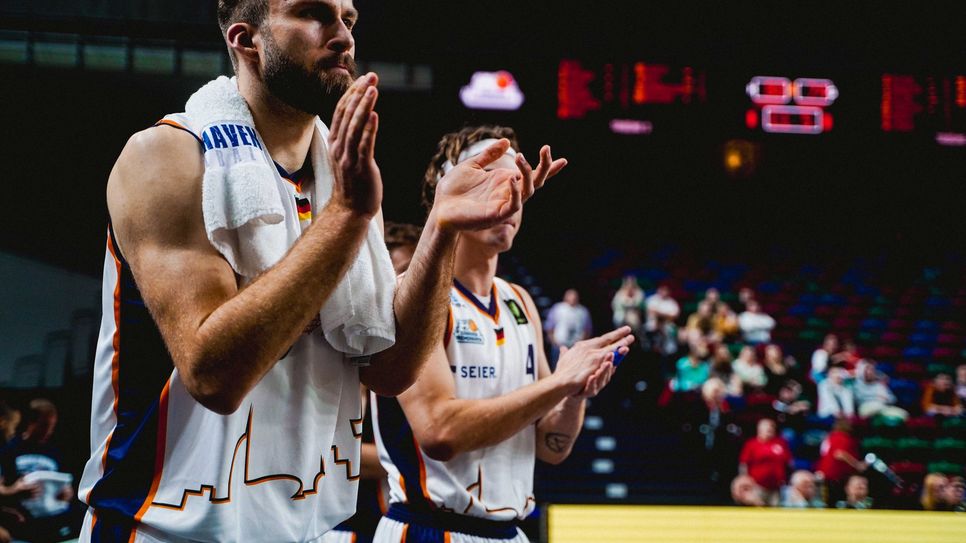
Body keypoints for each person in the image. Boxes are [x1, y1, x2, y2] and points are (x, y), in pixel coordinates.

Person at [76, 2, 567, 540]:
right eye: (314, 14)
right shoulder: (168, 156)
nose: (342, 36)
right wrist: (346, 217)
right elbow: (213, 375)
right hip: (160, 526)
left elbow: (390, 371)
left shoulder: (343, 181)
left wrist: (442, 228)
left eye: (349, 19)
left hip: (305, 527)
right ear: (247, 39)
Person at [372, 125, 633, 542]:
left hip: (510, 531)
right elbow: (440, 431)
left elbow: (551, 447)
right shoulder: (409, 296)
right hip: (430, 528)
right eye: (492, 181)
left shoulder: (521, 302)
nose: (511, 197)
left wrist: (574, 396)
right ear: (450, 187)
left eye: (518, 183)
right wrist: (561, 382)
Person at [323, 223, 421, 543]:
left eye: (408, 273)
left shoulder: (413, 364)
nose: (398, 286)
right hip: (326, 526)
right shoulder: (334, 345)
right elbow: (319, 454)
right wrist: (415, 459)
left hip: (387, 524)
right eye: (392, 274)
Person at [0, 399, 76, 542]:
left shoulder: (56, 452)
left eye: (52, 426)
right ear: (31, 422)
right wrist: (14, 491)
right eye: (44, 425)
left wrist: (67, 493)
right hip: (22, 525)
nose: (49, 431)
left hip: (55, 524)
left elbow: (68, 485)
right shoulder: (9, 449)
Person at [738, 418, 792, 506]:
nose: (770, 429)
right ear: (759, 429)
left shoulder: (781, 443)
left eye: (772, 427)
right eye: (768, 427)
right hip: (757, 486)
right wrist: (745, 481)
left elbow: (788, 463)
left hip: (776, 487)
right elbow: (744, 464)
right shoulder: (752, 444)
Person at [815, 419, 865, 504]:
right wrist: (857, 465)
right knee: (836, 499)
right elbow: (839, 454)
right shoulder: (842, 437)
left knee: (827, 500)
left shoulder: (830, 437)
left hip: (824, 472)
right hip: (834, 474)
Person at [545, 289, 593, 366]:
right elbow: (549, 327)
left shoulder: (583, 311)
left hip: (575, 346)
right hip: (559, 345)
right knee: (557, 368)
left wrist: (581, 344)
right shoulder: (558, 308)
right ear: (565, 296)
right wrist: (554, 342)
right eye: (570, 295)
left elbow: (587, 330)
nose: (572, 298)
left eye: (574, 296)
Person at [645, 285, 680, 356]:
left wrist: (659, 314)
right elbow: (650, 311)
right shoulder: (652, 299)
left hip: (667, 326)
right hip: (652, 325)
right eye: (662, 290)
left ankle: (666, 353)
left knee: (670, 332)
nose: (663, 292)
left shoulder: (672, 303)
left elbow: (674, 316)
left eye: (665, 290)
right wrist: (665, 315)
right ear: (658, 290)